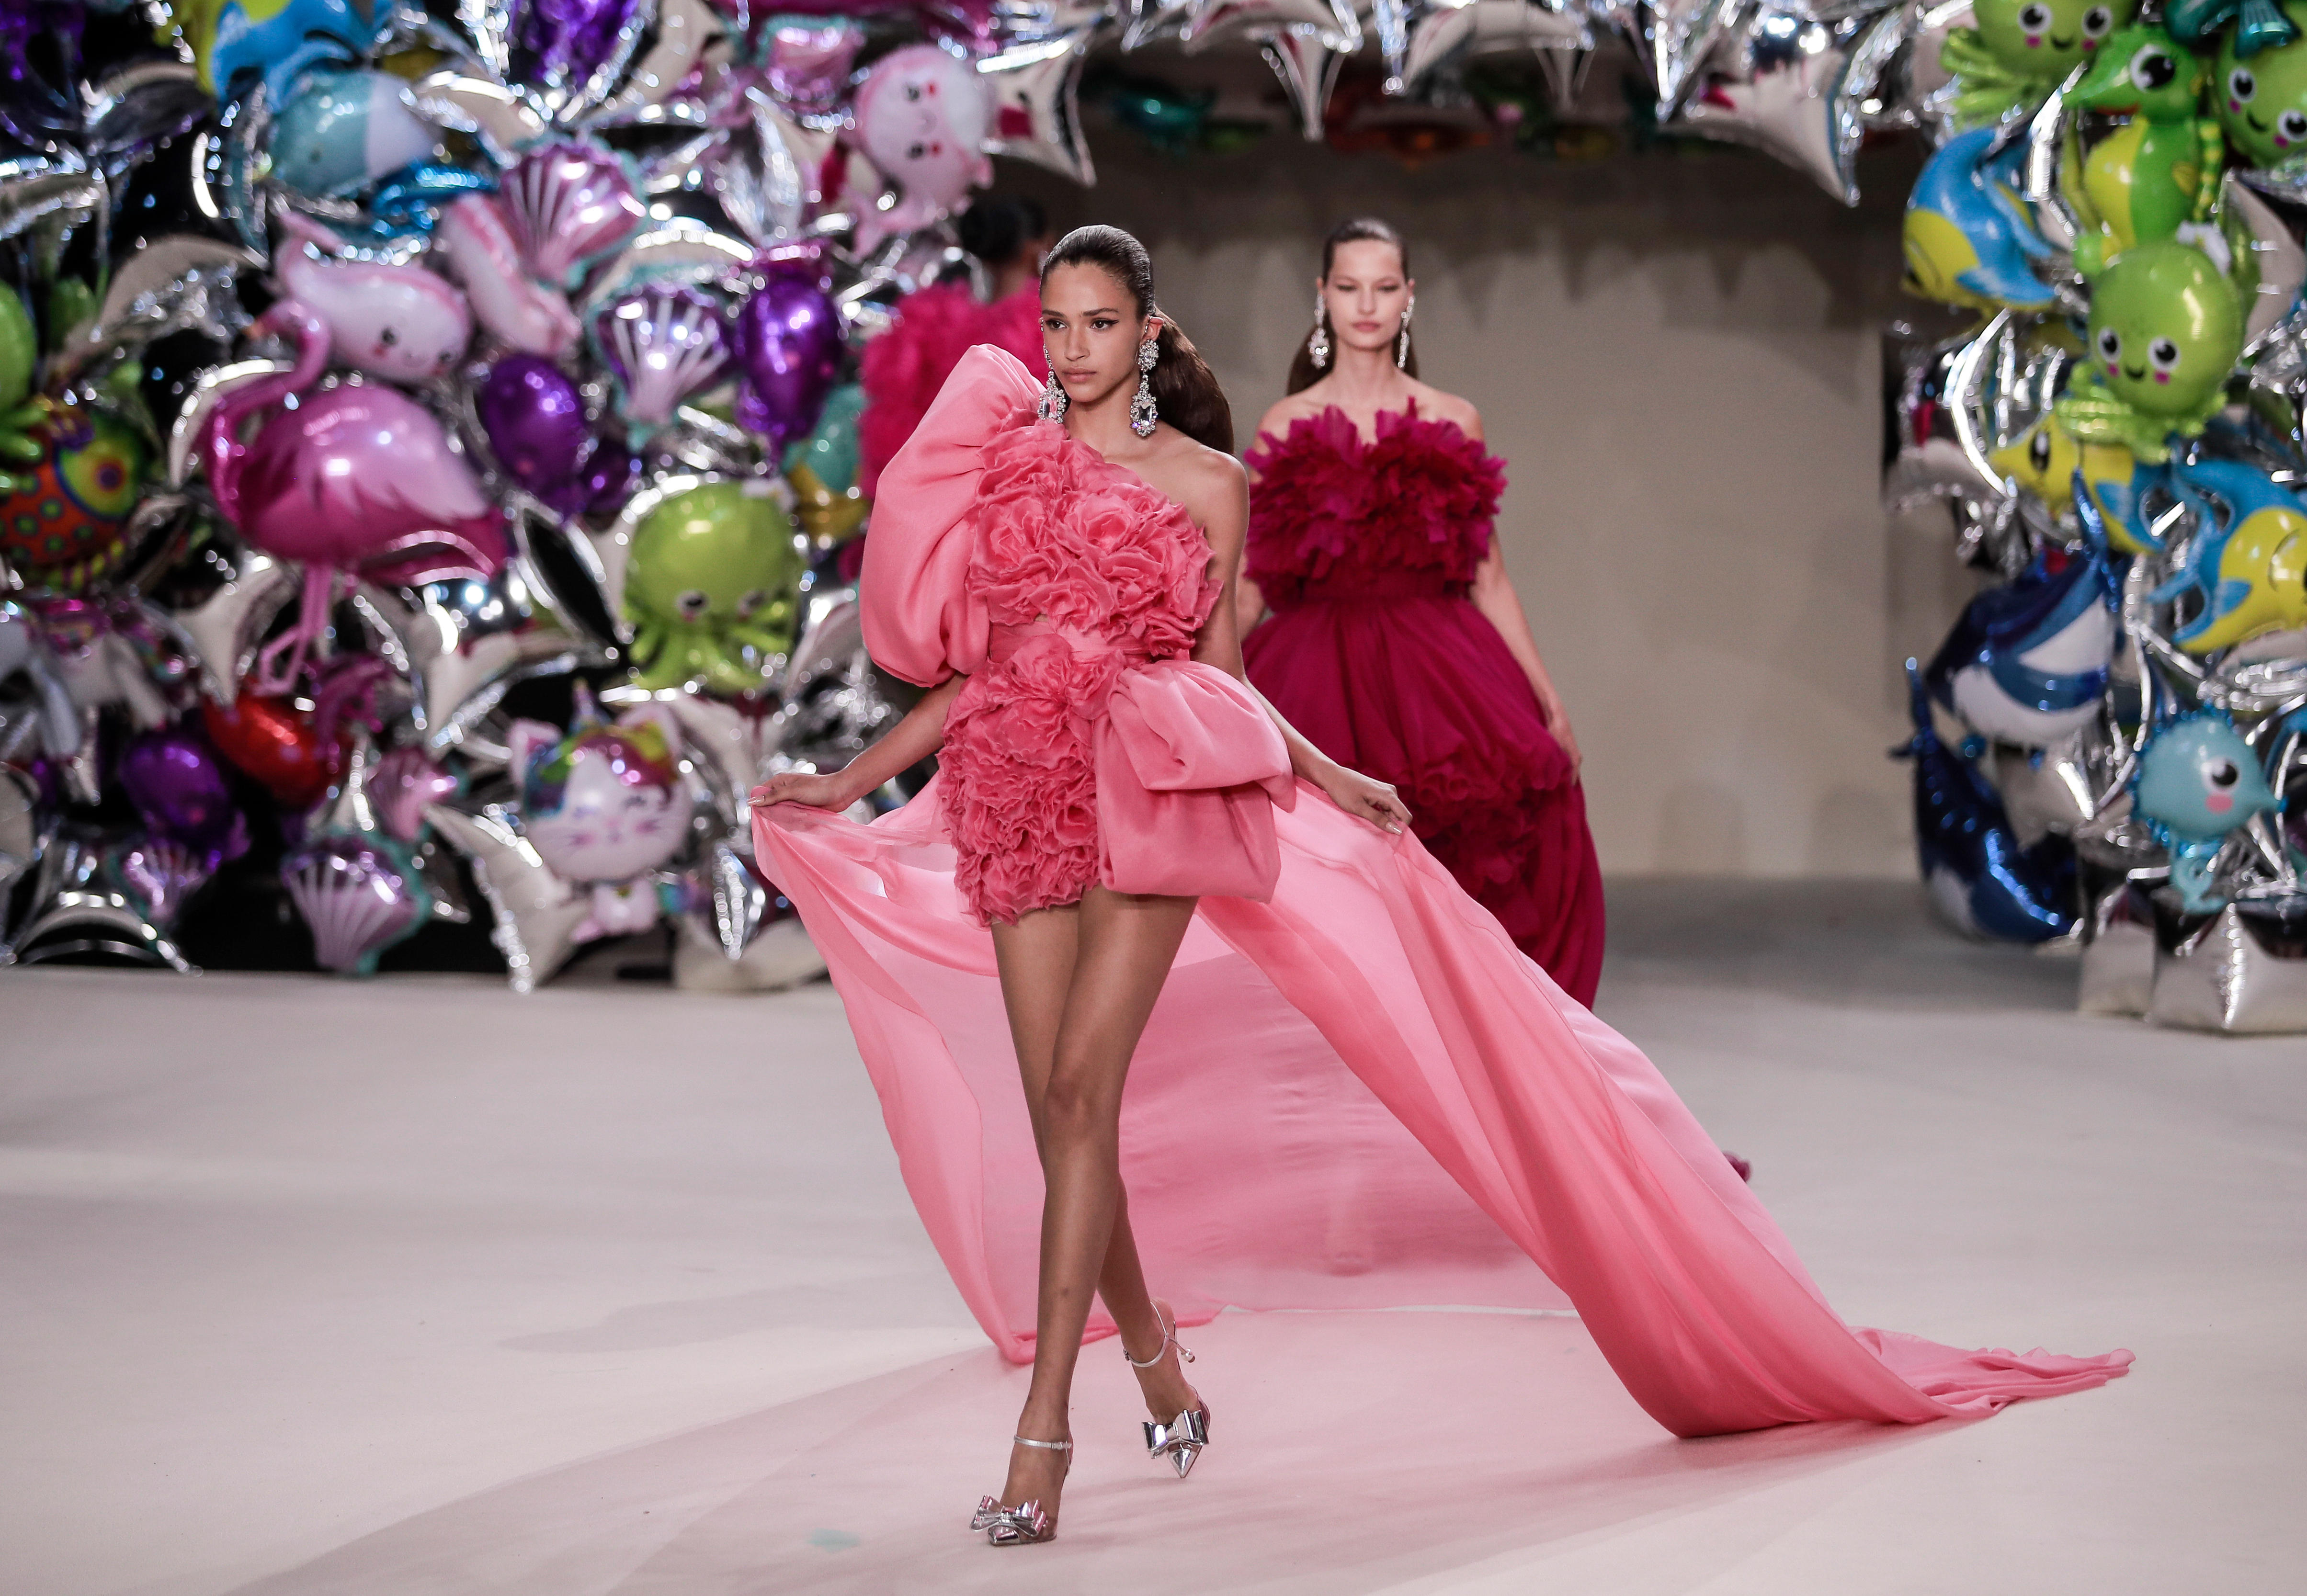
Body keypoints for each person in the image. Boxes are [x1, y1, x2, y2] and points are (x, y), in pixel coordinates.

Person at [749, 226, 2130, 1550]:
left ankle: (1042, 1437)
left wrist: (1331, 774)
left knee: (1077, 1098)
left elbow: (1220, 673)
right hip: (1014, 783)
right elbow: (977, 672)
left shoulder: (1214, 481)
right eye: (1055, 323)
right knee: (1067, 1115)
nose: (1075, 345)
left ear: (1151, 330)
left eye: (1101, 321)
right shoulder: (1014, 465)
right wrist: (846, 776)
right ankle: (1159, 1362)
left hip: (1160, 792)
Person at [1240, 217, 1606, 1004]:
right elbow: (1254, 582)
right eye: (1348, 287)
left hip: (1442, 683)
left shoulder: (1451, 419)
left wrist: (1548, 701)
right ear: (1323, 296)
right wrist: (1186, 672)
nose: (1365, 305)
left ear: (1409, 296)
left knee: (1463, 875)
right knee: (1326, 889)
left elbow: (1489, 576)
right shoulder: (1285, 425)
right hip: (1316, 676)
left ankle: (1463, 1084)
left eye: (1382, 287)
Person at [856, 195, 1053, 500]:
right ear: (1037, 247)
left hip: (931, 500)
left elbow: (892, 423)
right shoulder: (1051, 325)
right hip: (1013, 505)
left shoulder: (933, 322)